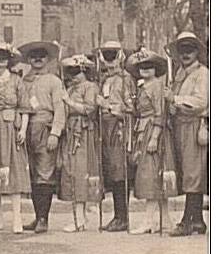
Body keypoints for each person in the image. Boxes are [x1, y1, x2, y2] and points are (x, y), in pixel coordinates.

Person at [0, 41, 31, 233]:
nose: (1, 60)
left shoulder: (16, 80)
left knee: (14, 171)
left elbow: (24, 107)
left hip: (11, 128)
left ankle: (17, 217)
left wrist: (23, 130)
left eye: (4, 57)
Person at [126, 48, 177, 234]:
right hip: (143, 129)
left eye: (150, 66)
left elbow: (160, 113)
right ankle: (166, 221)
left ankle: (149, 220)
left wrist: (154, 137)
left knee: (152, 175)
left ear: (156, 69)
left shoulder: (157, 86)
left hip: (154, 132)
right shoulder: (142, 88)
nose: (145, 70)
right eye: (142, 67)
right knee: (155, 176)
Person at [164, 32, 209, 236]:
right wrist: (172, 105)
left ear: (197, 51)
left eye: (190, 49)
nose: (186, 54)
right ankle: (198, 220)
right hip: (180, 125)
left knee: (194, 173)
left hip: (195, 125)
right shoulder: (180, 74)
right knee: (187, 172)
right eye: (182, 50)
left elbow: (201, 102)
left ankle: (187, 220)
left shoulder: (203, 74)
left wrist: (176, 99)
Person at [18, 41, 65, 233]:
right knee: (32, 174)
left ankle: (44, 219)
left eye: (41, 56)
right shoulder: (23, 80)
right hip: (25, 128)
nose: (37, 59)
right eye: (33, 56)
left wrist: (55, 132)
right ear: (28, 60)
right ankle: (37, 216)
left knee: (45, 173)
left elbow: (60, 108)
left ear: (47, 59)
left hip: (45, 127)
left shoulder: (54, 81)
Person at [59, 54, 102, 232]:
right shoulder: (69, 89)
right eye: (71, 72)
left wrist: (69, 102)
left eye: (77, 72)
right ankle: (78, 216)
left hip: (84, 132)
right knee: (71, 171)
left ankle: (81, 218)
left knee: (81, 171)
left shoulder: (90, 87)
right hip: (70, 131)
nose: (74, 76)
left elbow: (90, 109)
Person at [95, 41, 135, 232]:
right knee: (111, 172)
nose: (109, 61)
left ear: (120, 57)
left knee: (120, 172)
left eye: (113, 56)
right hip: (104, 128)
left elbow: (131, 108)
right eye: (106, 55)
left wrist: (108, 106)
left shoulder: (126, 79)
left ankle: (122, 217)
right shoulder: (103, 79)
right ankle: (117, 215)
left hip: (119, 128)